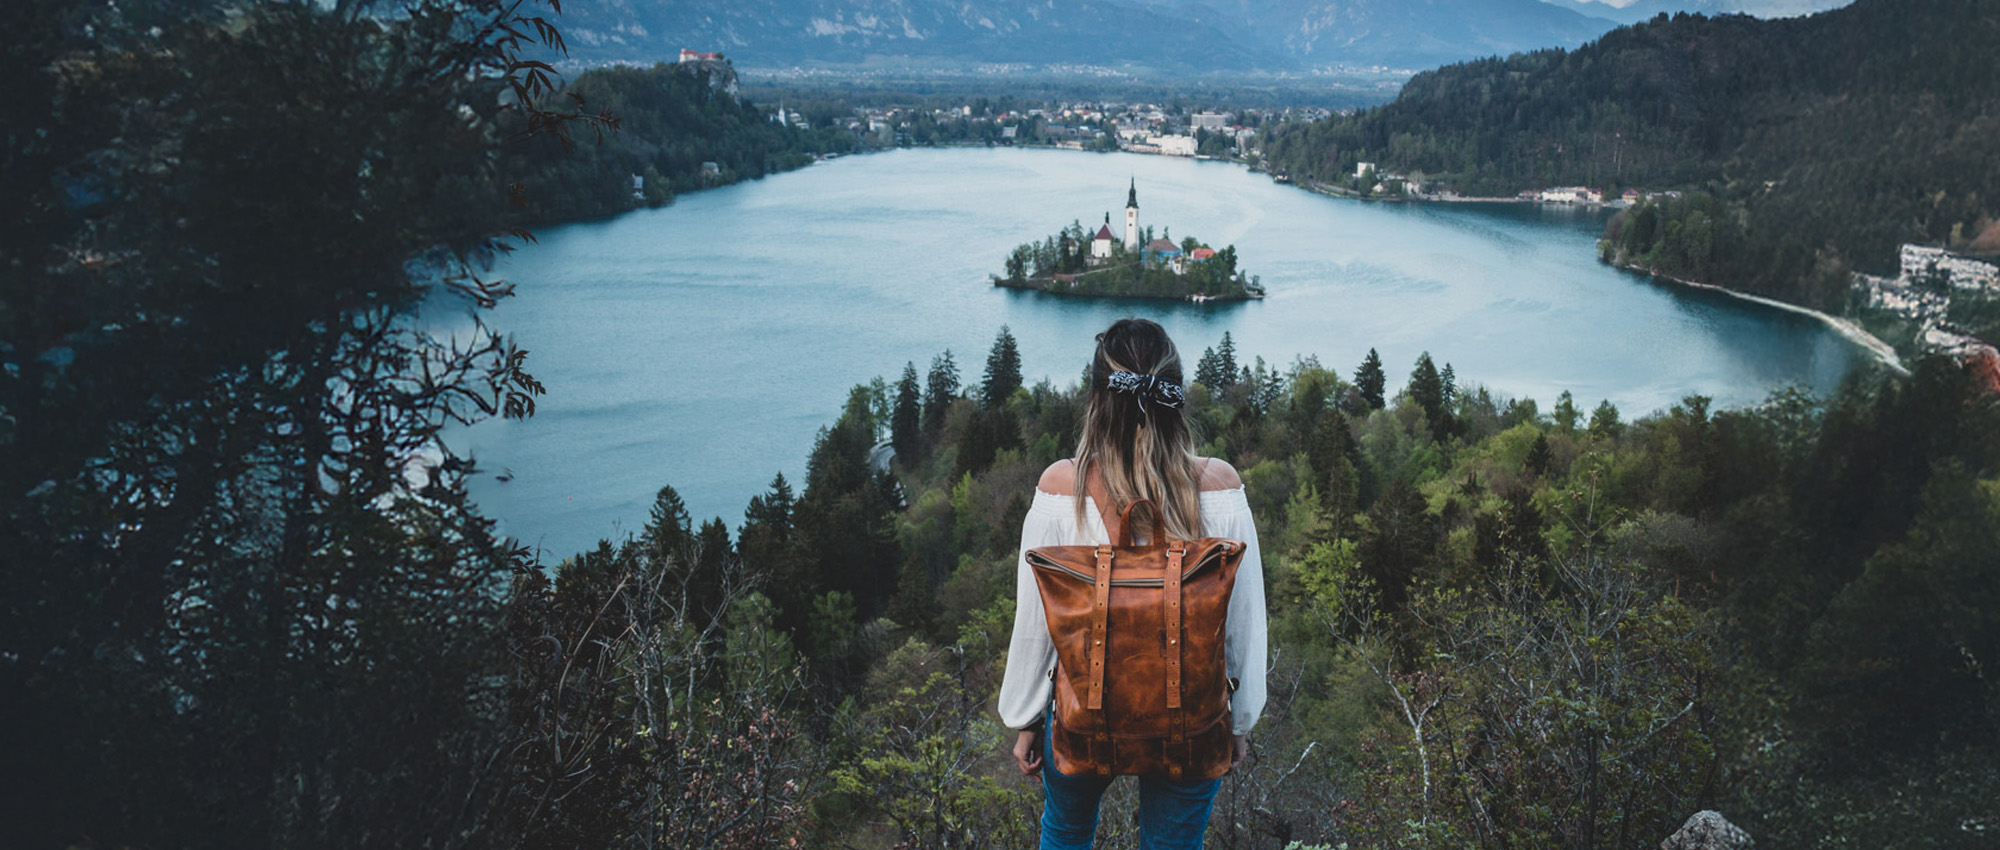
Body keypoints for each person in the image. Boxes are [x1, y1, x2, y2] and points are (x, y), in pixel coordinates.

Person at [996, 318, 1268, 850]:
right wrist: (1239, 720)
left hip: (1079, 713)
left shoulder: (1060, 488)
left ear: (1098, 401)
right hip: (1191, 719)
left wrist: (1026, 718)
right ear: (1175, 396)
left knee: (1067, 835)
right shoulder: (1221, 488)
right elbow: (1243, 623)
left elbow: (1034, 625)